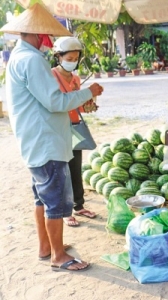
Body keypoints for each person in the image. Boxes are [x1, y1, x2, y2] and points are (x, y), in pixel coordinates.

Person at [0, 3, 104, 272]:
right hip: (45, 142)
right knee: (56, 201)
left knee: (42, 198)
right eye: (46, 35)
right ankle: (58, 256)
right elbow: (55, 101)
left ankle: (46, 247)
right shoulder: (31, 60)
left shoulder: (18, 58)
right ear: (37, 34)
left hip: (34, 140)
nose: (48, 41)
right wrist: (89, 91)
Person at [51, 37, 97, 227]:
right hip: (59, 129)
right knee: (63, 172)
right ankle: (66, 211)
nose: (73, 62)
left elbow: (77, 104)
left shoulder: (76, 79)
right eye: (69, 58)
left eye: (76, 58)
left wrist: (88, 106)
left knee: (75, 168)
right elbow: (56, 103)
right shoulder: (51, 76)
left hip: (75, 127)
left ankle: (79, 205)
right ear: (59, 57)